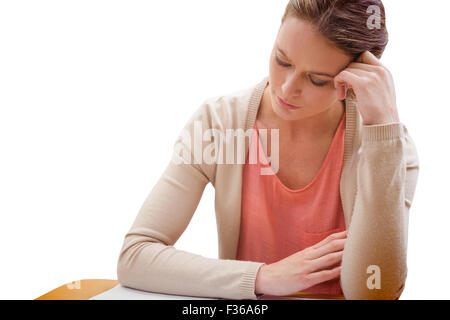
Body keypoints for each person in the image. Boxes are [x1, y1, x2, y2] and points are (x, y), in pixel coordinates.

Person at [116, 0, 419, 300]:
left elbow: (374, 293)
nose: (287, 89)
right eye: (282, 60)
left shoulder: (389, 149)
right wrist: (263, 277)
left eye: (317, 80)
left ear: (355, 79)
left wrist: (382, 129)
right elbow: (136, 256)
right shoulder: (219, 124)